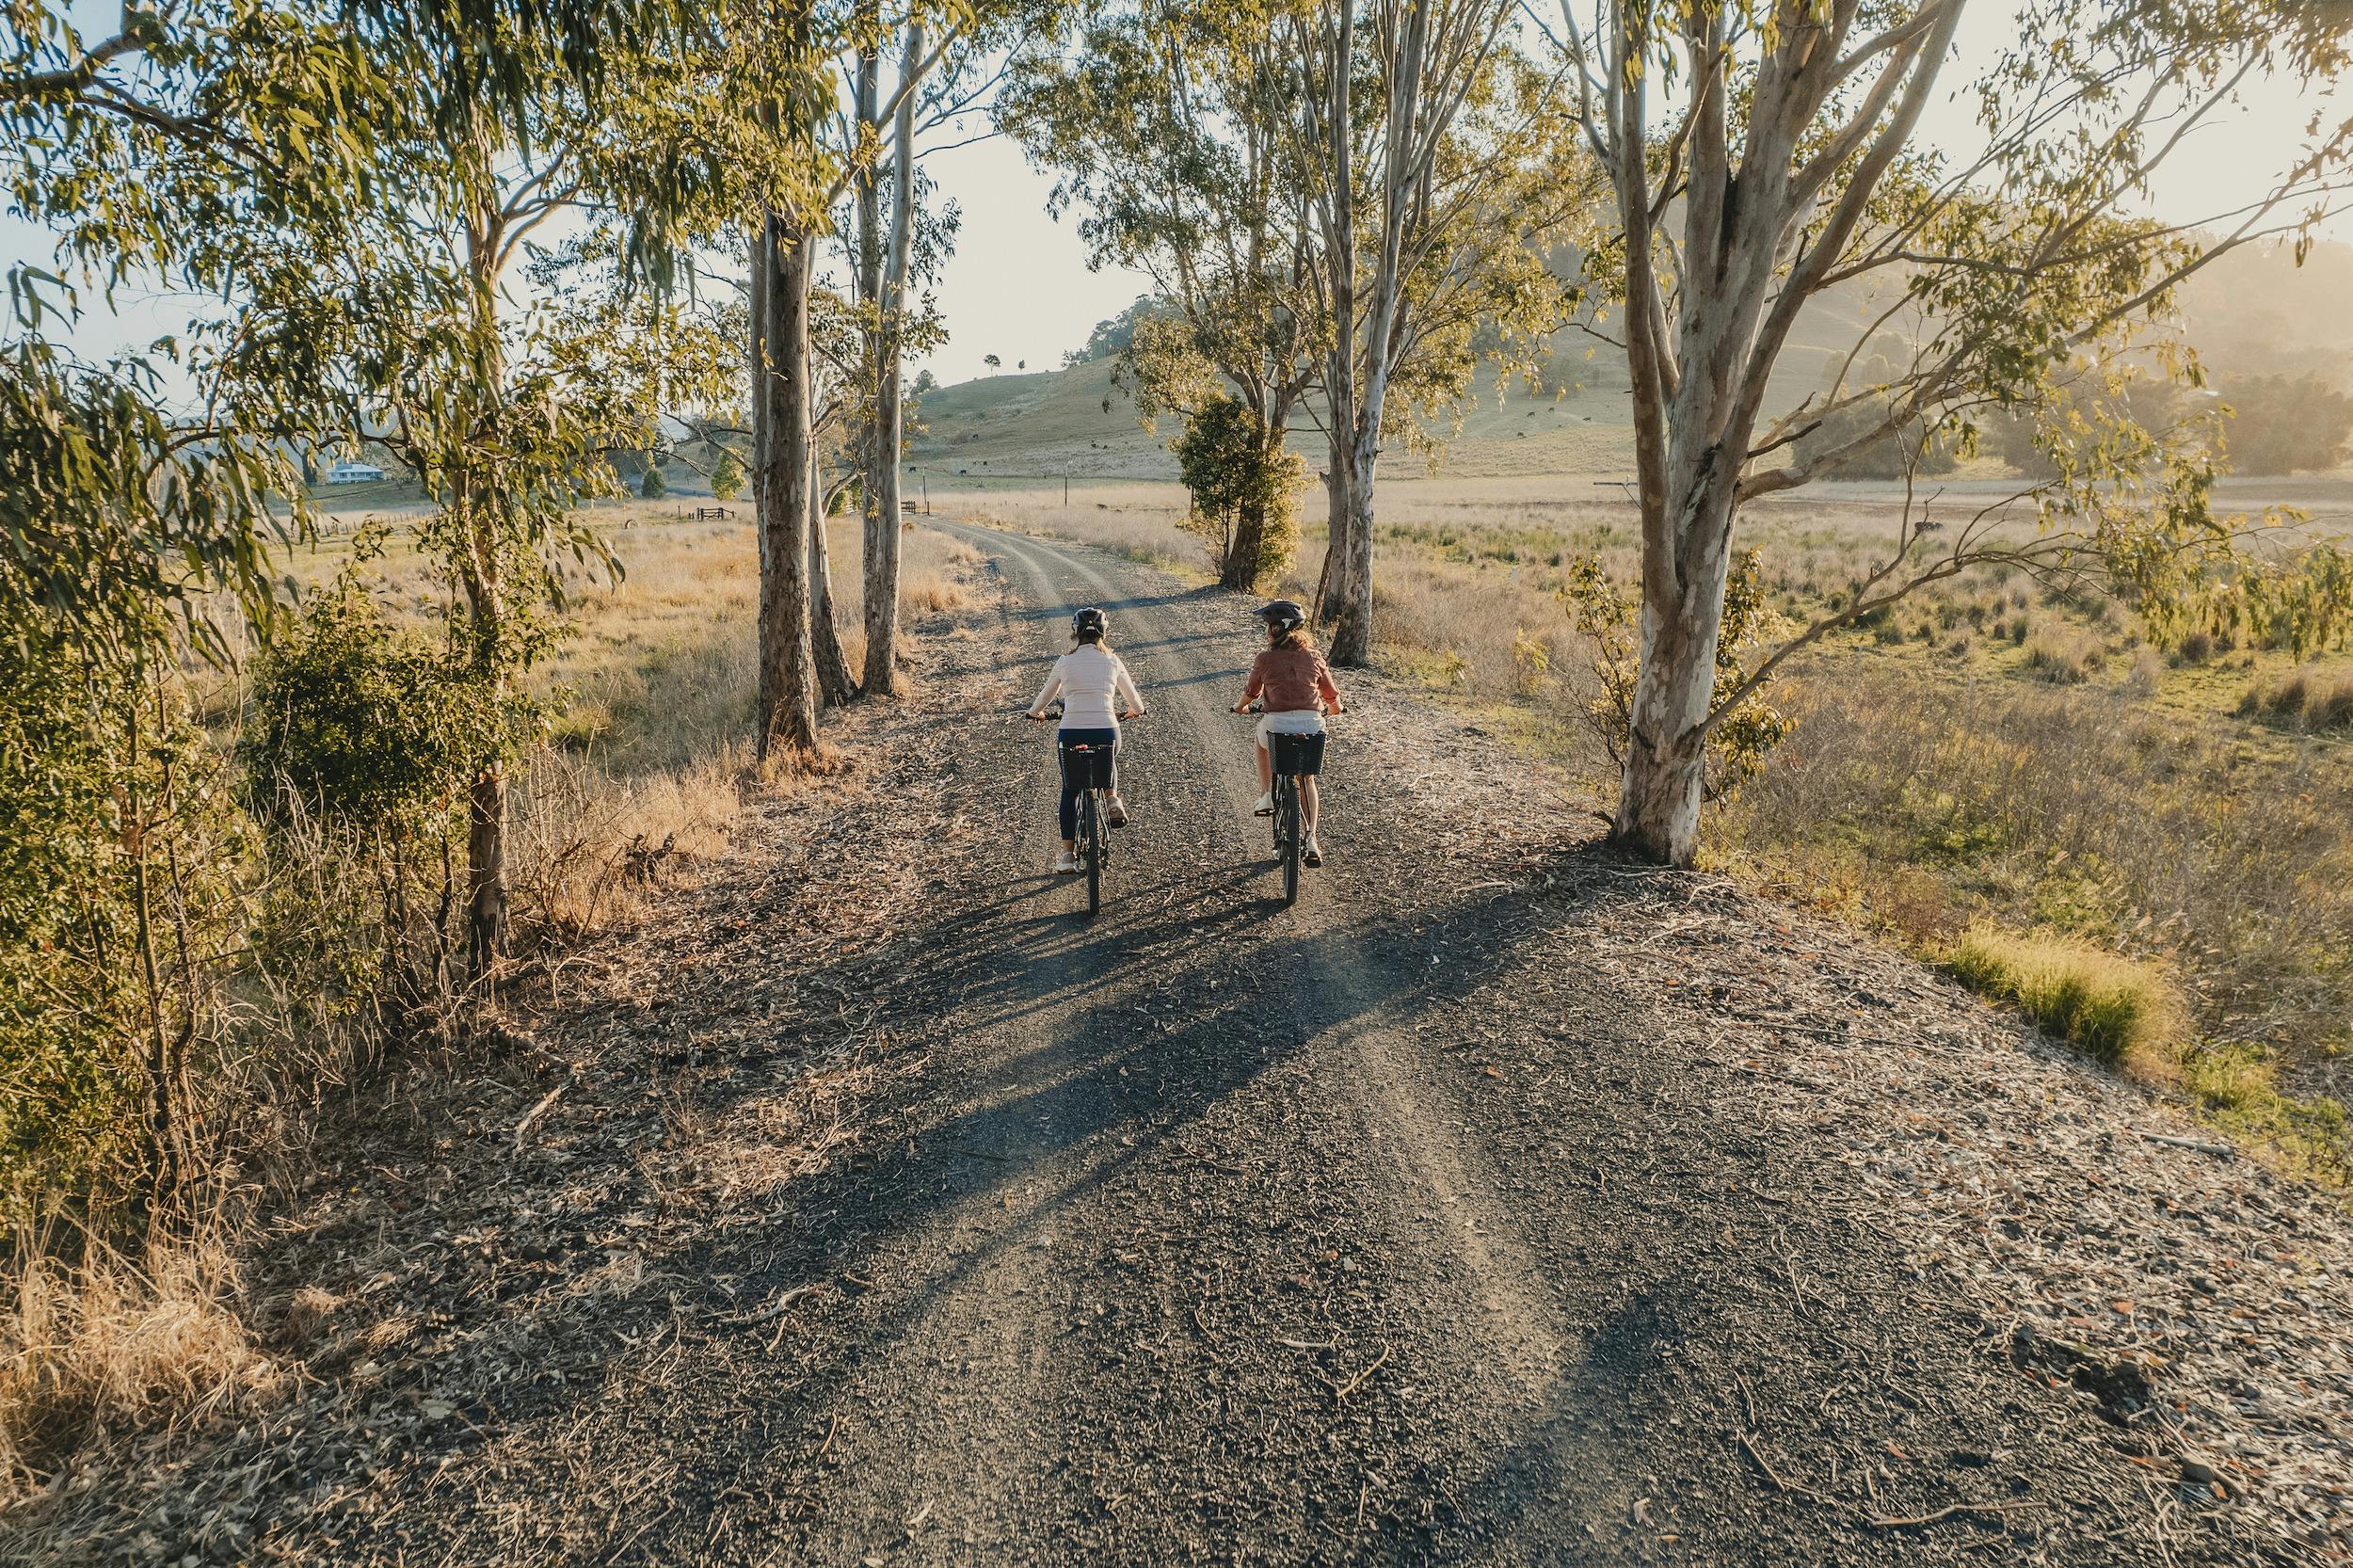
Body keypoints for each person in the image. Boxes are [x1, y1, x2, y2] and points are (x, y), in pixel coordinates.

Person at [1027, 606, 1144, 874]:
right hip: (1106, 729)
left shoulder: (1065, 662)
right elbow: (1134, 701)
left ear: (1075, 632)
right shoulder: (1113, 661)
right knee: (1109, 754)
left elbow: (1046, 694)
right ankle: (1112, 797)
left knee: (1070, 790)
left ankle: (1067, 856)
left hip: (1072, 732)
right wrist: (1135, 711)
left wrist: (1035, 713)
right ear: (1104, 632)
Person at [1231, 599, 1344, 866]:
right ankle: (1312, 838)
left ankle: (1267, 794)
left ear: (1275, 629)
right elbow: (1331, 696)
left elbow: (1251, 693)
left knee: (1261, 742)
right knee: (1307, 779)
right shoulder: (1315, 656)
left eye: (1268, 626)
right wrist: (1336, 708)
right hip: (1312, 725)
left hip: (1276, 725)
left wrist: (1239, 708)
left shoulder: (1265, 658)